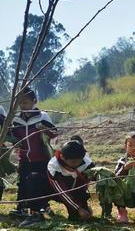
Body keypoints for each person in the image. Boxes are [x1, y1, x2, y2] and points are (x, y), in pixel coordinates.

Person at [9, 88, 57, 224]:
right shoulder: (17, 120)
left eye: (25, 102)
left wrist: (45, 129)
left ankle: (40, 208)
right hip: (24, 158)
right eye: (20, 103)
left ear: (34, 101)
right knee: (23, 182)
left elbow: (54, 132)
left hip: (41, 158)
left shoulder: (42, 116)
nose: (23, 106)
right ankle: (21, 208)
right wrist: (14, 142)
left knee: (38, 182)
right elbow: (13, 136)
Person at [47, 140, 94, 221]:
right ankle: (41, 208)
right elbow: (62, 191)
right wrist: (78, 208)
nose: (77, 164)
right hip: (55, 192)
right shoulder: (54, 166)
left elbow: (85, 183)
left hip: (76, 190)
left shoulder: (87, 163)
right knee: (36, 181)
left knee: (78, 217)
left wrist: (83, 205)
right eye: (73, 162)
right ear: (62, 157)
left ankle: (78, 209)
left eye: (79, 160)